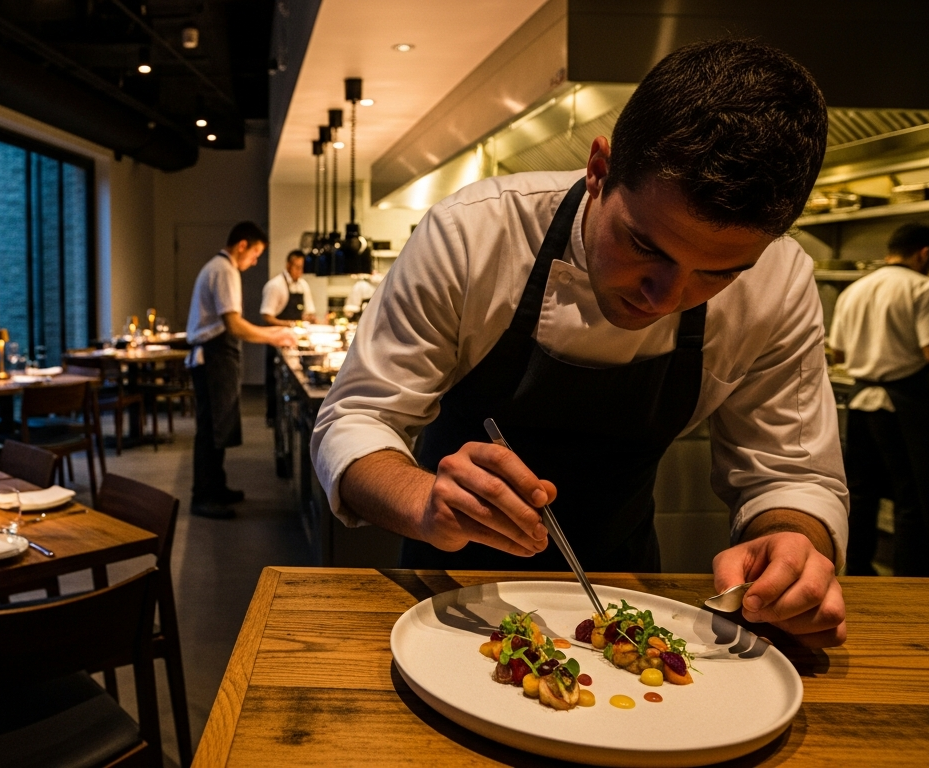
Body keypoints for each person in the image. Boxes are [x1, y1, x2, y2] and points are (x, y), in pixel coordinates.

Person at [312, 39, 849, 648]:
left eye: (718, 274)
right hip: (447, 593)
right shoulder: (472, 234)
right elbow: (356, 419)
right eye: (644, 246)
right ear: (599, 169)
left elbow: (792, 476)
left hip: (626, 593)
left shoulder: (779, 282)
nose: (665, 297)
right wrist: (426, 499)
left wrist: (793, 544)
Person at [828, 224, 929, 576]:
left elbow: (839, 353)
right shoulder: (926, 288)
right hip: (904, 407)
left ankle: (857, 575)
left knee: (861, 496)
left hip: (861, 403)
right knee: (915, 498)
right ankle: (912, 582)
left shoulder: (854, 290)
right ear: (925, 253)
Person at [186, 222, 296, 519]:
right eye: (256, 253)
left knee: (217, 425)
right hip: (212, 357)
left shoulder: (220, 267)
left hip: (216, 355)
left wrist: (273, 334)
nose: (255, 261)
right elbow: (234, 325)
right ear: (242, 245)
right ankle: (203, 497)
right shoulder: (224, 270)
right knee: (210, 429)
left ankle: (216, 487)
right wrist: (273, 336)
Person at [261, 249, 317, 425]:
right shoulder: (275, 286)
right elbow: (267, 316)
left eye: (302, 268)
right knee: (274, 377)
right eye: (297, 267)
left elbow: (308, 312)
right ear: (288, 265)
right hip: (277, 338)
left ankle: (296, 417)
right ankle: (273, 416)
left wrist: (310, 319)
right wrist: (290, 324)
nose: (300, 272)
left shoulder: (303, 285)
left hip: (295, 339)